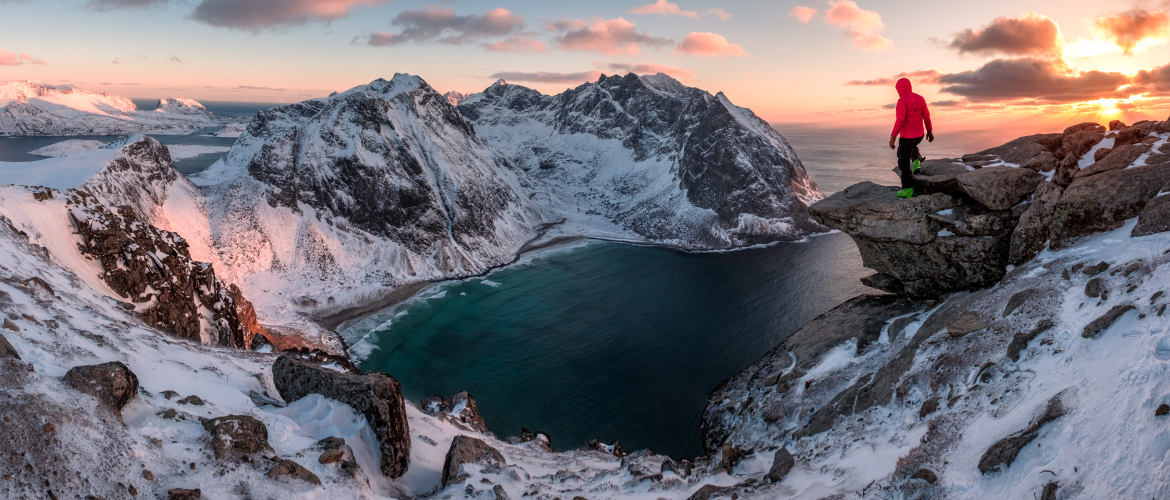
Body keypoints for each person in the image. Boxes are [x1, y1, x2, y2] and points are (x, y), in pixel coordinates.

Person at [888, 77, 933, 198]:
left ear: (899, 89)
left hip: (907, 137)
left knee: (903, 162)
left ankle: (907, 189)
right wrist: (929, 131)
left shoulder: (902, 100)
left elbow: (900, 120)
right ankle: (917, 160)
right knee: (914, 145)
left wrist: (893, 137)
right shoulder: (920, 98)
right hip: (919, 135)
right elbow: (927, 117)